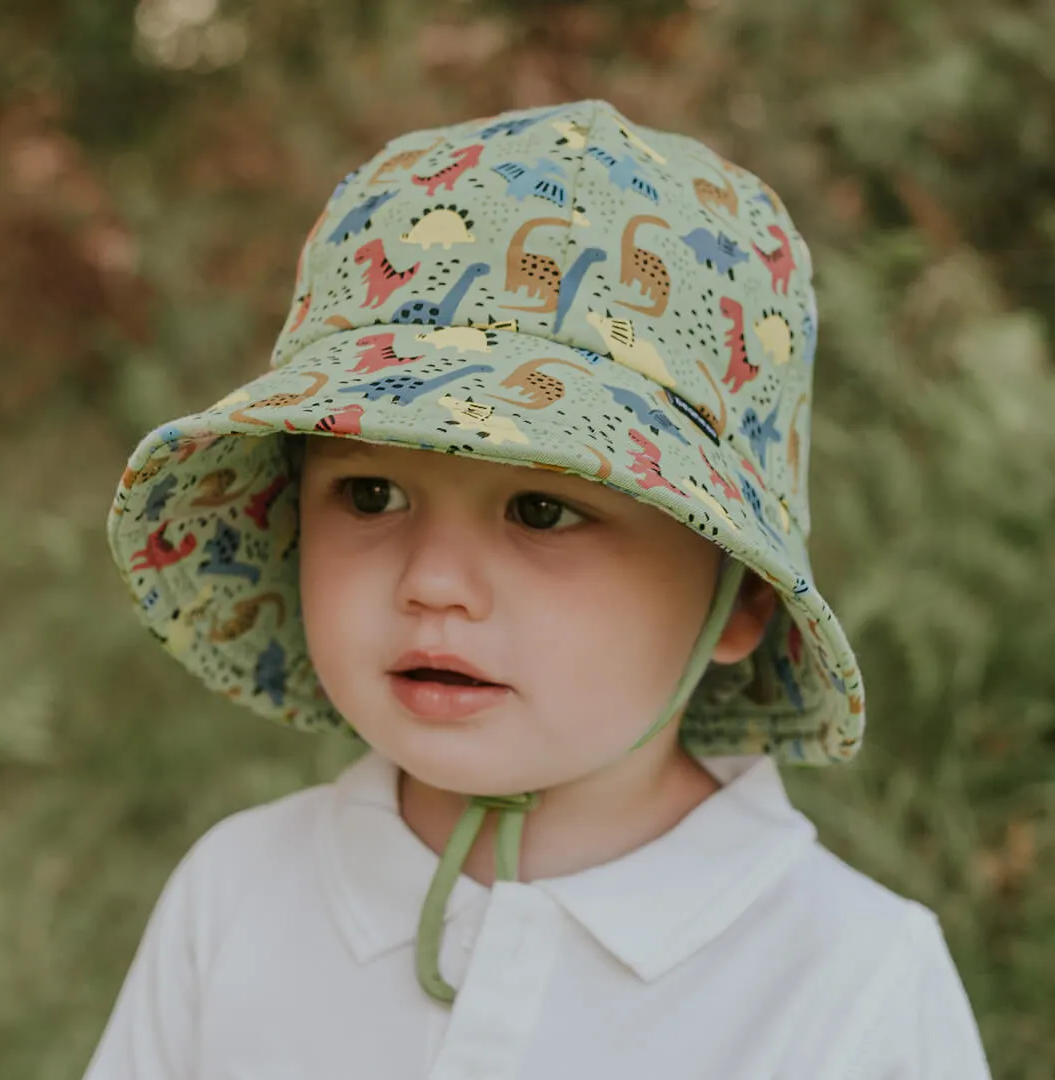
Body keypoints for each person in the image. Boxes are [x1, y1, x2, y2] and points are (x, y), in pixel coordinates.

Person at [85, 99, 992, 1078]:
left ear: (743, 602)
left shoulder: (847, 984)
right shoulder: (238, 896)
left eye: (544, 512)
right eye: (372, 493)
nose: (433, 582)